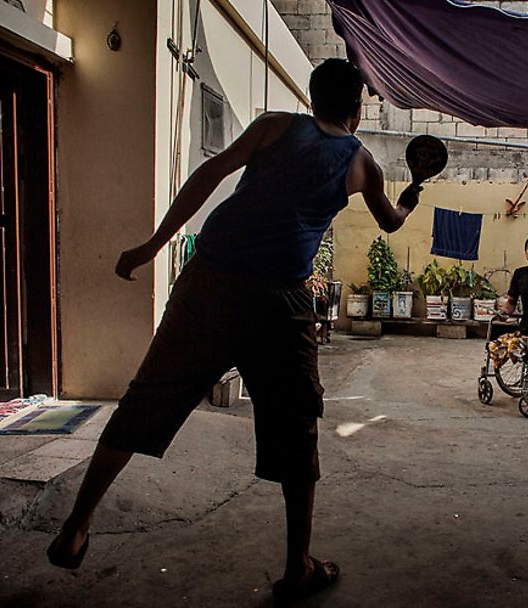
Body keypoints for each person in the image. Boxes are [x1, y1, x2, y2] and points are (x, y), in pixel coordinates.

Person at [47, 58, 421, 603]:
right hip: (281, 302)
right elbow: (390, 221)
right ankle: (298, 568)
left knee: (147, 399)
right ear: (357, 109)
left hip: (211, 284)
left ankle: (76, 526)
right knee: (296, 427)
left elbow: (209, 174)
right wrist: (410, 198)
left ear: (313, 98)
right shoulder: (362, 162)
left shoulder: (274, 125)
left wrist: (155, 245)